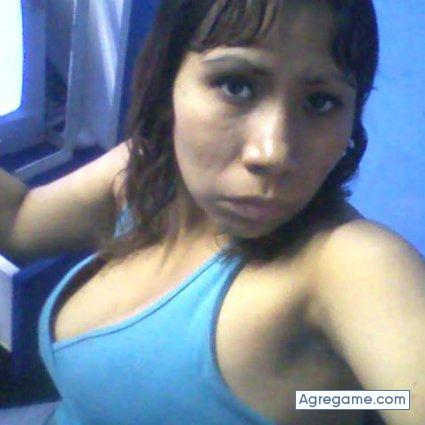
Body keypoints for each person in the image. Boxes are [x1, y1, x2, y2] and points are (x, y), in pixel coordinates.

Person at [0, 0, 424, 424]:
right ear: (169, 81)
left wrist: (334, 402)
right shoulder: (146, 175)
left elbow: (404, 396)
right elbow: (20, 222)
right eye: (237, 86)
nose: (273, 153)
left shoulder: (351, 263)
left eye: (320, 102)